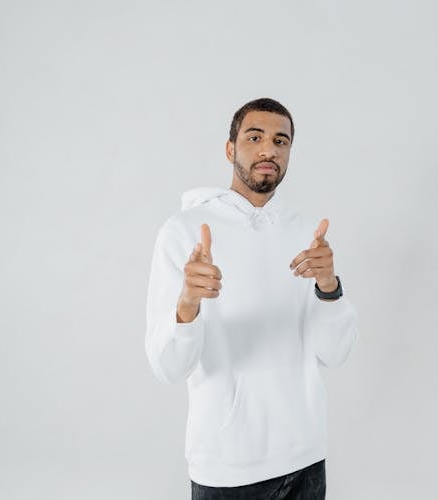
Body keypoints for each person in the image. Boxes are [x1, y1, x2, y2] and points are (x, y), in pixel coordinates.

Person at [145, 98, 359, 500]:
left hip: (306, 458)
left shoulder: (306, 233)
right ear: (230, 149)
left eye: (281, 141)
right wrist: (188, 304)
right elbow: (168, 367)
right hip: (228, 467)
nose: (268, 150)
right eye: (255, 137)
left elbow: (335, 352)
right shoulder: (184, 231)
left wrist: (329, 286)